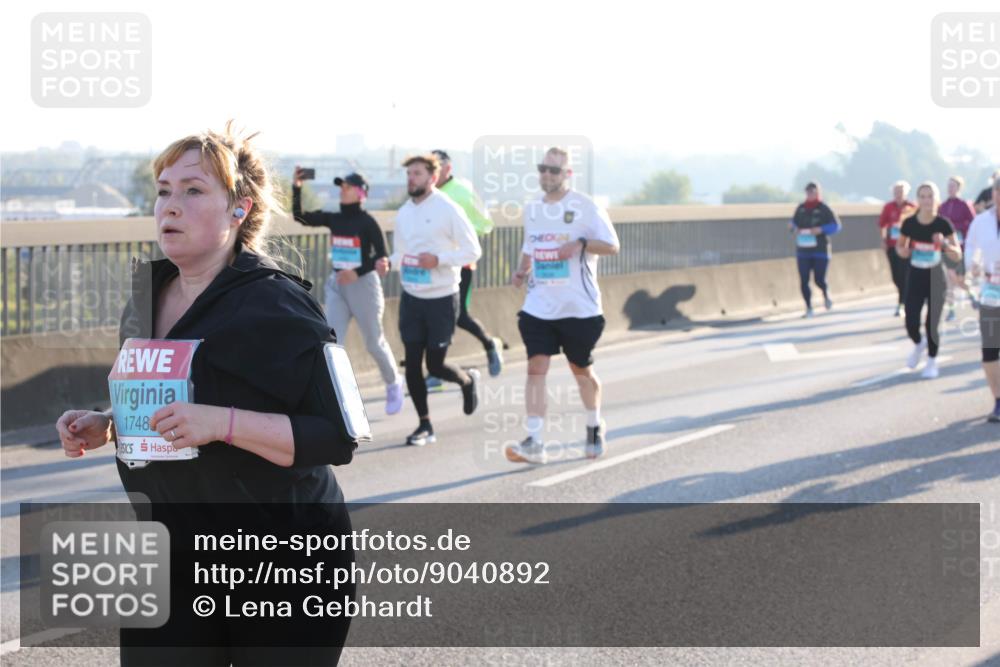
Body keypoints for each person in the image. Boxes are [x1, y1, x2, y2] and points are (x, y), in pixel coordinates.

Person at [54, 123, 358, 664]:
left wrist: (221, 423)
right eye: (164, 190)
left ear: (239, 209)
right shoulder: (145, 297)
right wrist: (108, 421)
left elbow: (335, 436)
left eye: (193, 190)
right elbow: (170, 403)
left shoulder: (278, 304)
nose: (170, 205)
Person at [505, 147, 620, 464]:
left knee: (580, 370)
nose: (546, 174)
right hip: (539, 305)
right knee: (535, 367)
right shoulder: (533, 208)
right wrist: (521, 270)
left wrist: (580, 243)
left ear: (567, 174)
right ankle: (534, 441)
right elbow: (531, 246)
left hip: (579, 308)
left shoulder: (585, 206)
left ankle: (594, 427)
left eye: (554, 170)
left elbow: (612, 245)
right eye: (542, 168)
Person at [291, 168, 404, 415]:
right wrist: (297, 186)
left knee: (374, 343)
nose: (342, 190)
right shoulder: (335, 219)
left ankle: (394, 382)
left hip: (364, 286)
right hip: (338, 285)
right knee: (332, 343)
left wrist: (358, 271)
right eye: (341, 186)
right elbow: (300, 217)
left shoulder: (368, 222)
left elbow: (382, 256)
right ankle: (336, 395)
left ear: (361, 193)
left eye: (347, 187)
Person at [389, 154, 482, 446]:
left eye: (417, 173)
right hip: (412, 297)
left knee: (436, 366)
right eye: (408, 174)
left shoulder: (448, 209)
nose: (411, 179)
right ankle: (425, 424)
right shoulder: (404, 212)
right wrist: (388, 263)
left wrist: (439, 259)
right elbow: (400, 254)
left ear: (432, 177)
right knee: (412, 364)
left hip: (442, 298)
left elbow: (473, 251)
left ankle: (467, 380)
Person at [423, 149, 503, 390]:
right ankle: (437, 371)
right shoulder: (426, 193)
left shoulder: (463, 191)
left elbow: (486, 223)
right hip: (433, 264)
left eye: (436, 165)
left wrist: (461, 239)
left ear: (448, 168)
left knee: (458, 316)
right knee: (431, 315)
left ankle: (489, 344)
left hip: (460, 264)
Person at [895, 182, 963, 379]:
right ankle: (919, 344)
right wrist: (903, 251)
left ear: (936, 199)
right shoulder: (909, 223)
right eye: (923, 196)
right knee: (910, 321)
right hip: (915, 276)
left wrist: (944, 244)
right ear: (918, 200)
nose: (927, 200)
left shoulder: (943, 224)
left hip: (936, 278)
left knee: (932, 324)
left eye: (930, 196)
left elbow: (957, 255)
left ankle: (932, 362)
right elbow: (899, 247)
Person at [963, 177, 1000, 422]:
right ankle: (998, 401)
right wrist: (972, 265)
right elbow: (970, 248)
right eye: (998, 191)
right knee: (990, 348)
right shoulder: (981, 221)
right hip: (991, 290)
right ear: (993, 194)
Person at [789, 182, 842, 318]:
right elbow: (792, 224)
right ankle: (808, 307)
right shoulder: (801, 208)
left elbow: (836, 226)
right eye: (808, 192)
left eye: (813, 192)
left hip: (820, 250)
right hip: (803, 250)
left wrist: (821, 229)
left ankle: (826, 293)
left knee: (819, 279)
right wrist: (794, 229)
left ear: (818, 192)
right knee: (804, 279)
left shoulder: (824, 208)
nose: (810, 194)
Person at [938, 176, 977, 320]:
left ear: (958, 188)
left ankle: (971, 293)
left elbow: (974, 223)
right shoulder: (943, 206)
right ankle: (951, 310)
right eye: (948, 186)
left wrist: (958, 228)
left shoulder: (964, 205)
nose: (950, 188)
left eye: (953, 186)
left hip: (961, 248)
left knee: (959, 280)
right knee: (950, 278)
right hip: (947, 248)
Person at [877, 180, 915, 316]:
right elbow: (882, 224)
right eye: (896, 192)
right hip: (892, 245)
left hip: (906, 247)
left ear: (906, 193)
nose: (898, 194)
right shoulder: (888, 207)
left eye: (901, 192)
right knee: (895, 276)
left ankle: (902, 303)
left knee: (904, 274)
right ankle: (904, 296)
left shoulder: (912, 207)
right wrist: (883, 240)